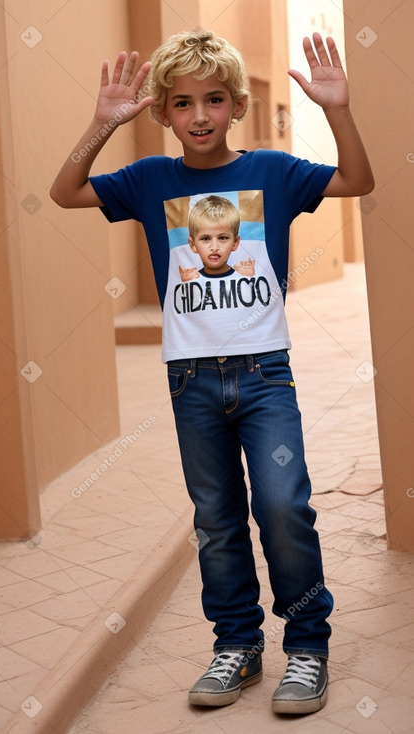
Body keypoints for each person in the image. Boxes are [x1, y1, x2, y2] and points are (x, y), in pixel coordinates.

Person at [50, 29, 374, 716]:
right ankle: (237, 645)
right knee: (216, 519)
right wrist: (101, 124)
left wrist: (336, 111)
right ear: (163, 113)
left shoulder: (278, 173)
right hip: (190, 382)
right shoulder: (147, 182)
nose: (200, 115)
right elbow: (64, 191)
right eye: (182, 102)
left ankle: (307, 648)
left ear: (236, 107)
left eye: (215, 99)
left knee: (283, 506)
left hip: (264, 376)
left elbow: (356, 180)